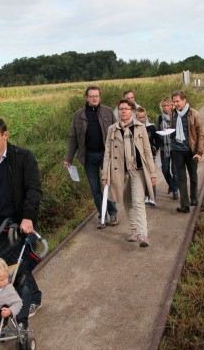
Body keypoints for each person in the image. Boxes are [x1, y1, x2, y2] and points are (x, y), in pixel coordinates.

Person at [0, 116, 42, 329]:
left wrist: (28, 217)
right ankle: (31, 297)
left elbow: (34, 189)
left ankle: (31, 300)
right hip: (0, 227)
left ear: (5, 135)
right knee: (10, 266)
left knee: (21, 264)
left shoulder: (23, 157)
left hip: (23, 223)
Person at [101, 99, 157, 247]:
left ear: (132, 111)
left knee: (138, 202)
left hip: (137, 170)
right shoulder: (112, 129)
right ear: (118, 111)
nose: (123, 111)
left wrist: (153, 173)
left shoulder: (140, 127)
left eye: (126, 109)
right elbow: (107, 153)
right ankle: (133, 229)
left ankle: (142, 235)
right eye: (121, 109)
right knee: (127, 202)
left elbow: (147, 151)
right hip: (120, 172)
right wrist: (105, 175)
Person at [64, 86, 118, 229]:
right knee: (95, 188)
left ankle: (113, 213)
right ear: (86, 98)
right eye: (91, 96)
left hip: (106, 155)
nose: (94, 98)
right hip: (88, 157)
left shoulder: (108, 112)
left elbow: (117, 133)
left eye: (97, 95)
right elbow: (73, 137)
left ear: (100, 97)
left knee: (108, 185)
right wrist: (68, 158)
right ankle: (102, 215)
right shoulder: (78, 115)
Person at [170, 90, 204, 214]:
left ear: (184, 100)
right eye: (174, 102)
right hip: (177, 151)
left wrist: (199, 152)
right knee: (181, 179)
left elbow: (200, 134)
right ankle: (184, 205)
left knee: (193, 176)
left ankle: (194, 198)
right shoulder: (173, 114)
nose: (175, 104)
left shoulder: (193, 114)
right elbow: (173, 129)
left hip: (190, 151)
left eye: (177, 101)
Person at [134, 106, 159, 207]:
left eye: (144, 117)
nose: (142, 119)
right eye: (140, 117)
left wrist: (154, 148)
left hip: (150, 156)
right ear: (136, 117)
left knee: (151, 176)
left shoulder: (151, 127)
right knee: (141, 177)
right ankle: (144, 197)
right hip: (138, 157)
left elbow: (158, 140)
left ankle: (152, 198)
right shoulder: (134, 127)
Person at [156, 97, 179, 200]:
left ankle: (175, 191)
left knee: (175, 171)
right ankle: (172, 185)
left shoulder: (176, 116)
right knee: (165, 170)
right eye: (164, 106)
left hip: (175, 147)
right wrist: (161, 133)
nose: (166, 107)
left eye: (168, 105)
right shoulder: (160, 118)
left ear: (171, 106)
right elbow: (156, 132)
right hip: (164, 148)